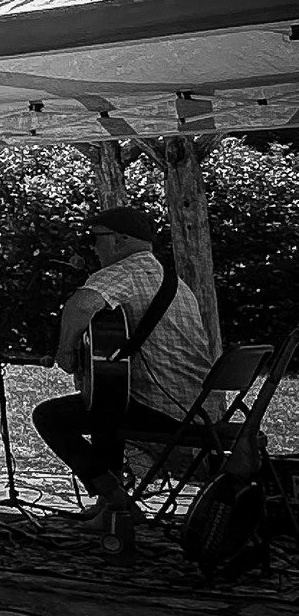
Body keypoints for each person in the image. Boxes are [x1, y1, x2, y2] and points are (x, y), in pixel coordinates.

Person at [34, 204, 209, 525]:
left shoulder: (124, 272)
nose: (92, 247)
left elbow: (80, 306)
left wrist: (66, 353)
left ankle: (117, 502)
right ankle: (109, 503)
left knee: (50, 417)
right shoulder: (173, 282)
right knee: (107, 399)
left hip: (161, 408)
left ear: (119, 240)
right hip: (196, 409)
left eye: (95, 238)